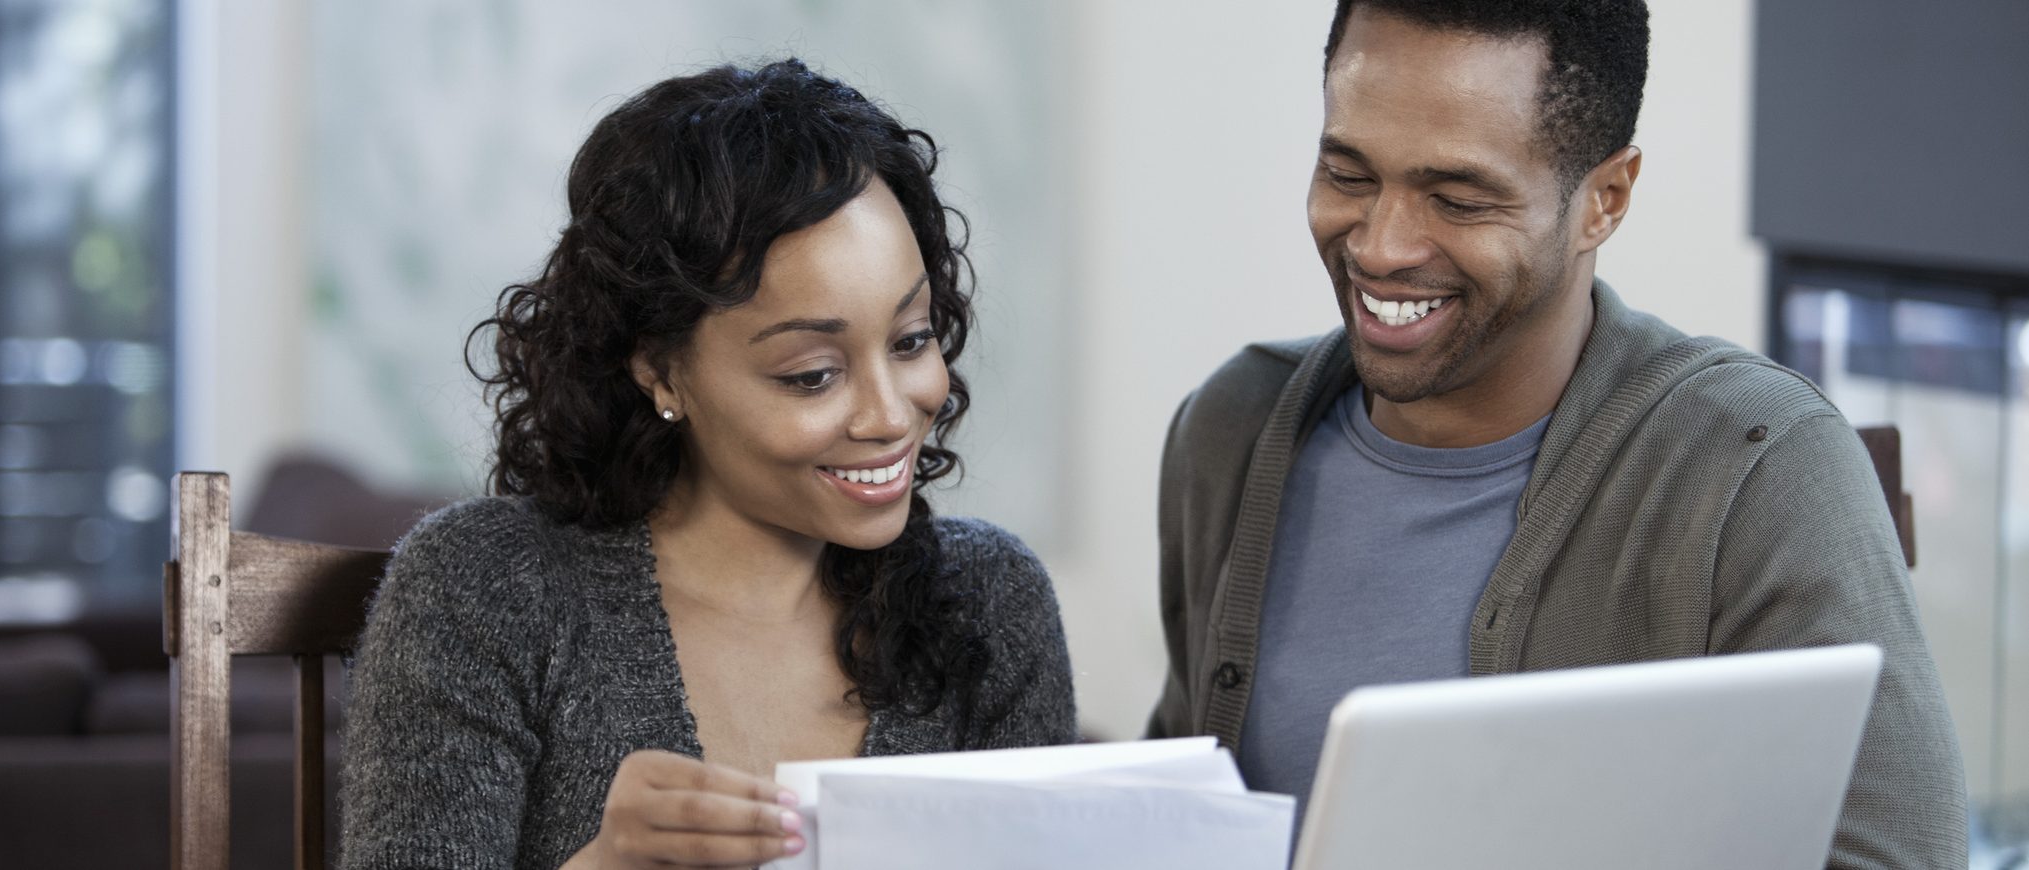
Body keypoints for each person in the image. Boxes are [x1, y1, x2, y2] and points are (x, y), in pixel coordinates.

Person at [1146, 2, 1966, 867]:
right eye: (1348, 174)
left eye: (1457, 199)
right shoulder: (1231, 430)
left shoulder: (1754, 466)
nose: (1381, 247)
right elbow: (1183, 793)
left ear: (1602, 201)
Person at [338, 59, 1077, 870]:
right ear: (660, 371)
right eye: (812, 375)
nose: (891, 414)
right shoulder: (484, 588)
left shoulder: (990, 602)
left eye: (910, 341)